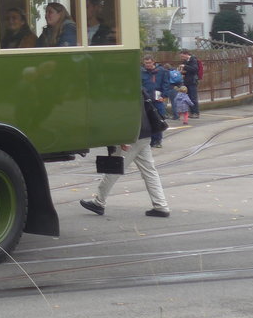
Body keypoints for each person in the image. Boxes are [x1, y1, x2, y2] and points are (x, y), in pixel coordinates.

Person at [80, 69, 170, 218]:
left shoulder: (119, 93)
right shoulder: (138, 89)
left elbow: (123, 117)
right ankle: (161, 206)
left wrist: (124, 138)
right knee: (149, 171)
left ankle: (99, 202)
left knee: (113, 170)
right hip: (144, 134)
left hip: (131, 137)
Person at [141, 55, 170, 148]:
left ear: (153, 62)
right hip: (146, 99)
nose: (148, 65)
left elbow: (166, 84)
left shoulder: (162, 71)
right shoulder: (142, 72)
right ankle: (150, 140)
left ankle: (157, 140)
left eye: (149, 63)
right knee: (148, 120)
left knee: (158, 119)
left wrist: (164, 95)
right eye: (146, 63)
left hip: (157, 99)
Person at [180, 50, 201, 118]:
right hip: (187, 81)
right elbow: (188, 71)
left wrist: (185, 66)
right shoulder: (186, 61)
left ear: (186, 54)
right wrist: (182, 72)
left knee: (193, 98)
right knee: (188, 97)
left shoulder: (193, 60)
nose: (182, 58)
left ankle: (196, 113)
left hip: (192, 81)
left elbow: (195, 69)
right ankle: (191, 112)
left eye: (183, 56)